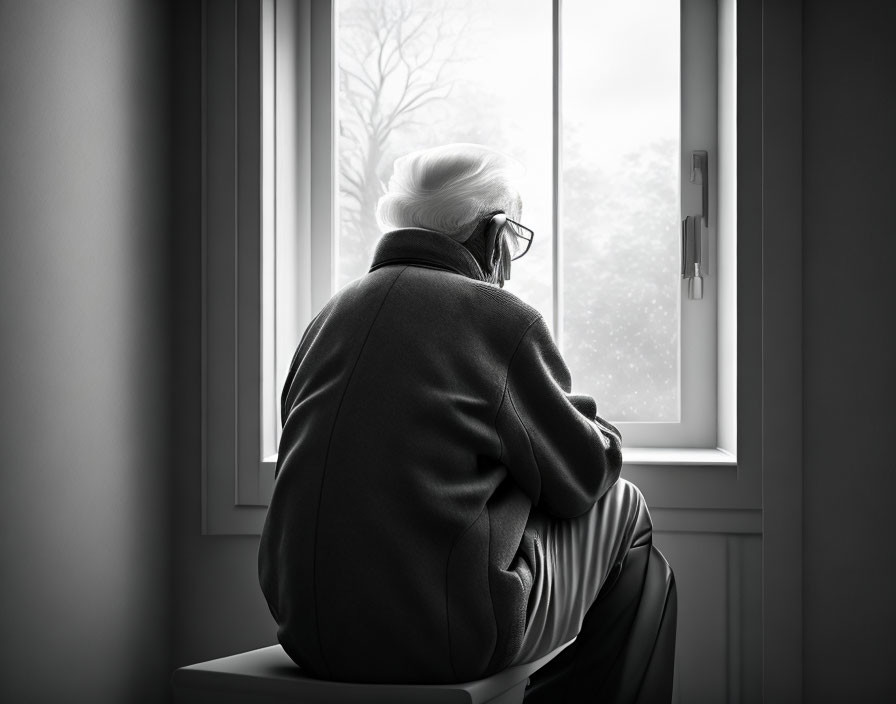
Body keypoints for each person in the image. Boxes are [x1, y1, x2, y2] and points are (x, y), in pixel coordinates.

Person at [258, 143, 677, 702]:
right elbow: (581, 477)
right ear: (494, 232)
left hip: (306, 634)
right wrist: (596, 434)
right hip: (442, 639)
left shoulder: (327, 319)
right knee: (625, 505)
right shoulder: (495, 318)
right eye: (516, 238)